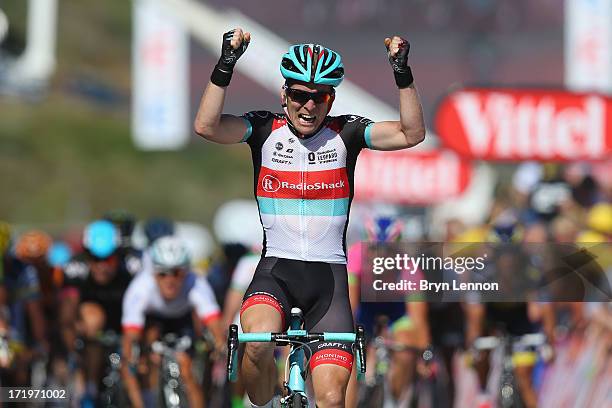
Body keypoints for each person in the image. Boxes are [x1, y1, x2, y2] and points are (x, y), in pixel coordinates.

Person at [194, 27, 425, 408]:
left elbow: (411, 133)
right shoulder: (263, 129)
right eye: (300, 95)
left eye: (320, 97)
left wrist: (403, 73)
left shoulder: (347, 133)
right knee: (256, 345)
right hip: (276, 273)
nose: (309, 106)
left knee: (332, 399)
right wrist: (225, 65)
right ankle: (268, 401)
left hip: (328, 282)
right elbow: (206, 126)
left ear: (331, 99)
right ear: (285, 94)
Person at [121, 235, 224, 408]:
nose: (170, 280)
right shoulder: (140, 288)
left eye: (177, 273)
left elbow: (213, 321)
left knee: (187, 368)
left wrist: (219, 344)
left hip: (182, 322)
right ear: (153, 273)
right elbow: (130, 335)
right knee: (140, 362)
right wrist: (134, 358)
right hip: (152, 323)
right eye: (162, 273)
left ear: (186, 272)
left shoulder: (195, 283)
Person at [58, 219, 134, 402]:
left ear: (118, 255)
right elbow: (66, 317)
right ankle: (88, 387)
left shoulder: (131, 269)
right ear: (86, 256)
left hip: (124, 324)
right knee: (93, 318)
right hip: (89, 328)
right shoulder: (75, 268)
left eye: (108, 259)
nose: (102, 266)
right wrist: (74, 354)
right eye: (95, 258)